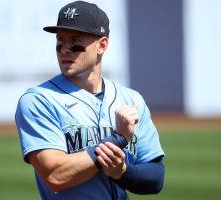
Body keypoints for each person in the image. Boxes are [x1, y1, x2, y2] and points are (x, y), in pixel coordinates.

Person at [15, 1, 165, 200]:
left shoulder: (130, 99)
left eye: (75, 40)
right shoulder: (39, 100)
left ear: (102, 45)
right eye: (60, 40)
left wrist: (122, 172)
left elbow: (156, 178)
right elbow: (55, 175)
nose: (65, 49)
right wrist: (117, 139)